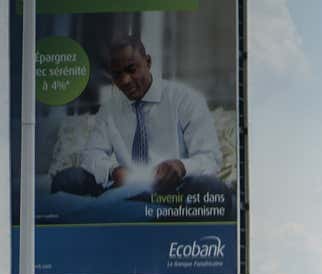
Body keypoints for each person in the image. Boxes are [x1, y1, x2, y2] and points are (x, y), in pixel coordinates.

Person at [51, 35, 226, 199]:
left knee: (213, 189)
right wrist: (113, 171)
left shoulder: (185, 99)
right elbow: (91, 154)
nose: (125, 80)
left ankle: (152, 214)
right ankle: (134, 209)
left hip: (175, 188)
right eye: (117, 74)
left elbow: (210, 157)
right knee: (66, 180)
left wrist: (181, 167)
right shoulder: (110, 108)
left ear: (148, 62)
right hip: (125, 186)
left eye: (131, 70)